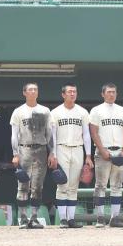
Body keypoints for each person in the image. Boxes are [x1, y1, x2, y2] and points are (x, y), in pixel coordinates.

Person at [10, 82, 53, 229]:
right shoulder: (18, 111)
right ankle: (22, 218)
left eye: (35, 89)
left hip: (41, 150)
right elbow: (14, 135)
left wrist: (52, 153)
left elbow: (50, 134)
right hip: (24, 149)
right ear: (24, 92)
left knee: (38, 186)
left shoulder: (45, 110)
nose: (33, 91)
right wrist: (15, 153)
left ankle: (34, 218)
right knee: (23, 185)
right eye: (30, 89)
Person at [50, 83, 93, 228]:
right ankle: (62, 219)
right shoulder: (55, 112)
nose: (72, 94)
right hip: (61, 148)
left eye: (74, 91)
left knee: (73, 186)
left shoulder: (82, 112)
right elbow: (53, 136)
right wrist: (53, 154)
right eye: (69, 92)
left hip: (78, 148)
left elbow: (86, 135)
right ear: (63, 95)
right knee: (62, 185)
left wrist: (88, 155)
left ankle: (71, 219)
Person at [89, 83, 123, 228]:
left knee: (117, 186)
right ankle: (100, 217)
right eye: (108, 92)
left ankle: (115, 218)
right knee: (100, 185)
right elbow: (93, 132)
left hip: (119, 151)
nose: (111, 94)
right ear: (103, 94)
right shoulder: (96, 110)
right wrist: (102, 150)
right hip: (103, 151)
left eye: (114, 92)